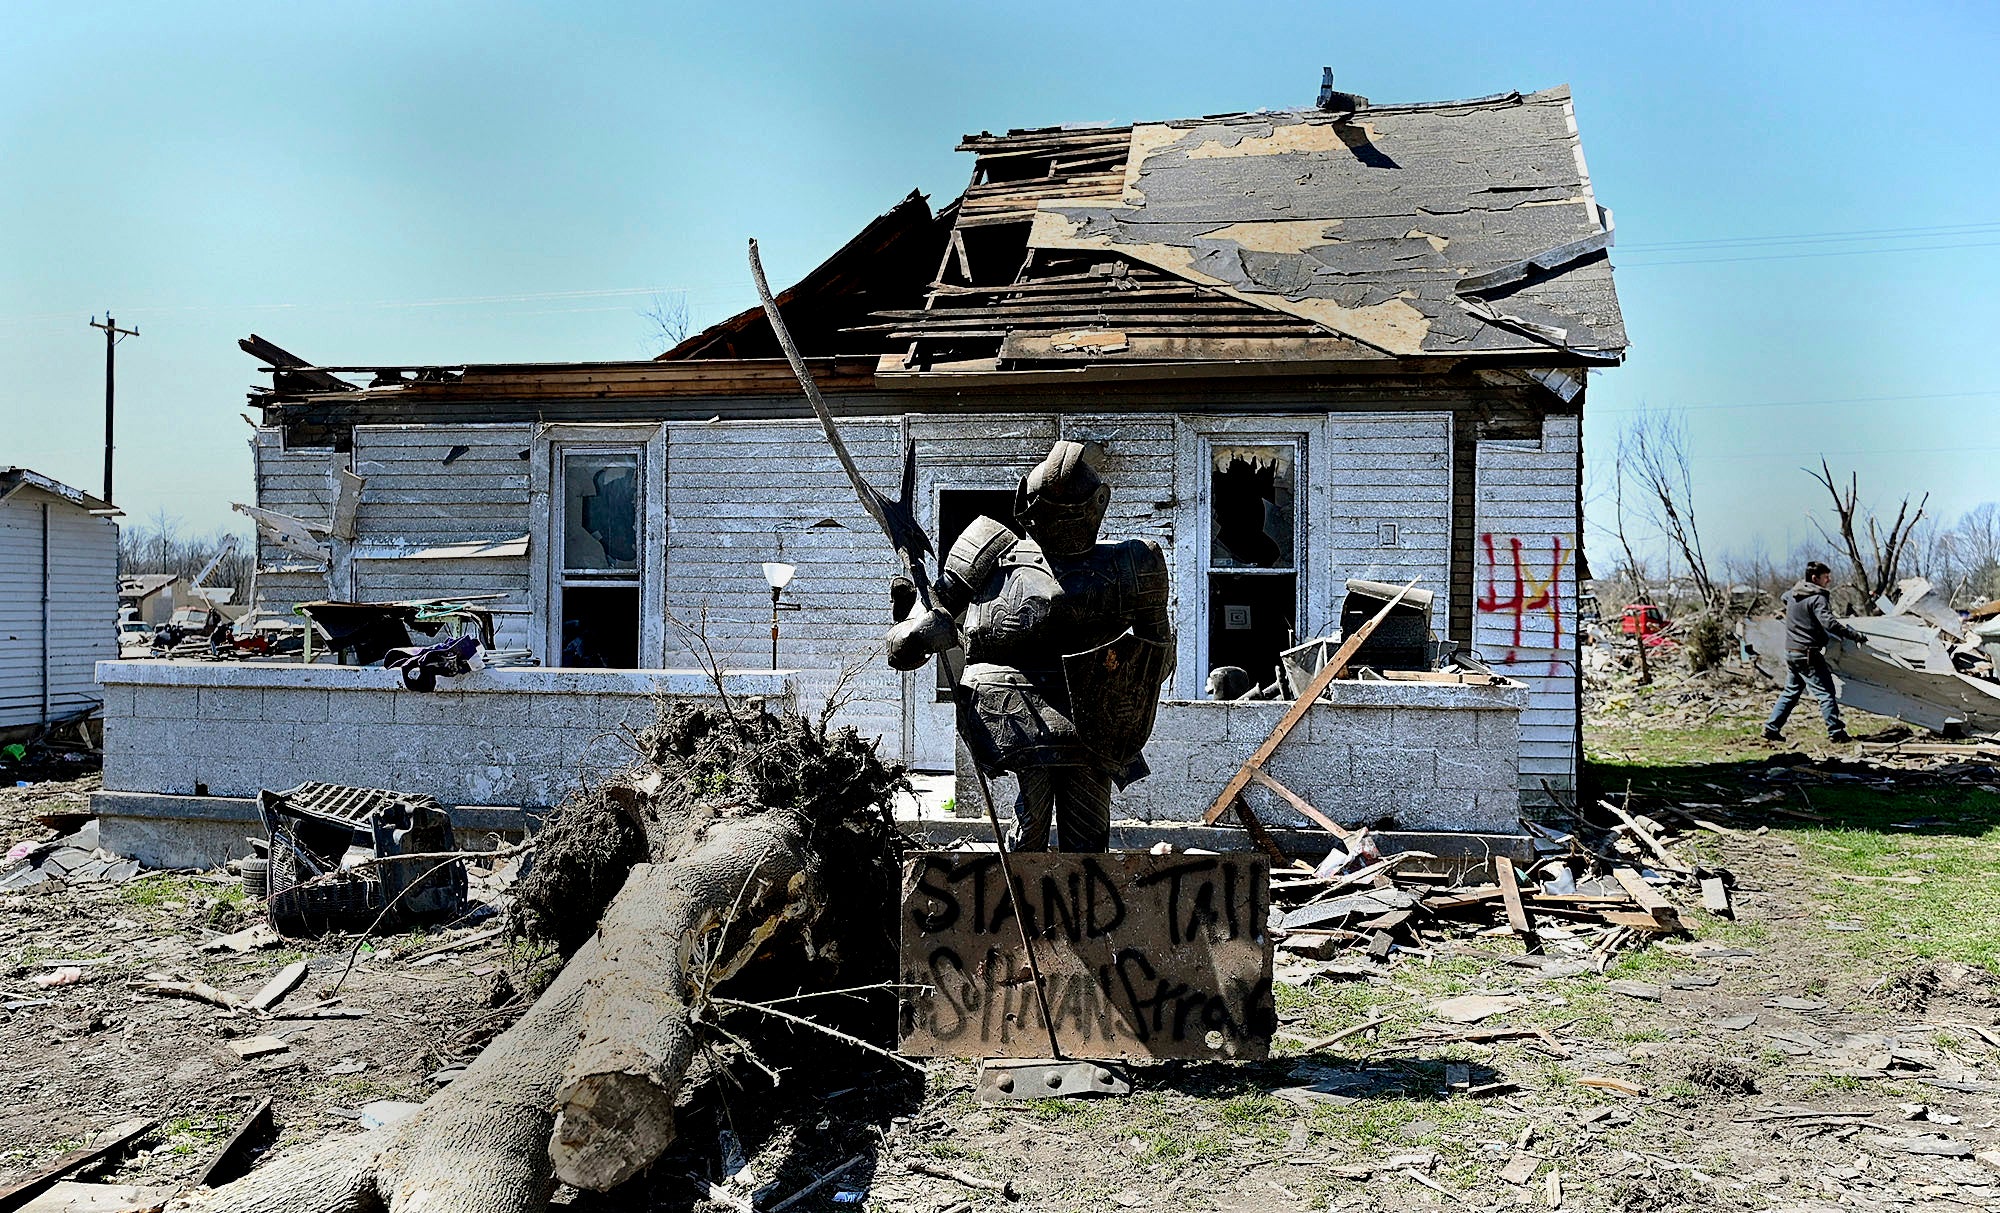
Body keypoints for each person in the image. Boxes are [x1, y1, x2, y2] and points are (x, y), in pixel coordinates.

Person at [885, 441, 1173, 853]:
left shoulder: (1132, 562)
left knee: (1089, 835)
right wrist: (918, 633)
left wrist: (1122, 684)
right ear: (1028, 506)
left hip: (1093, 711)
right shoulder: (990, 550)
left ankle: (1081, 911)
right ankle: (1021, 903)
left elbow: (1156, 654)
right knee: (1033, 821)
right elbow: (912, 628)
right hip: (1012, 705)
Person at [1764, 560, 1866, 744]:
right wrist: (1853, 635)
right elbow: (1829, 623)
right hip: (1808, 654)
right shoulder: (1817, 598)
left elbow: (1784, 597)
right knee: (1826, 693)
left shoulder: (1793, 594)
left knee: (1791, 692)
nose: (1828, 581)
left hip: (1792, 652)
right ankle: (1836, 732)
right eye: (1825, 577)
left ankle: (1772, 728)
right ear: (1814, 578)